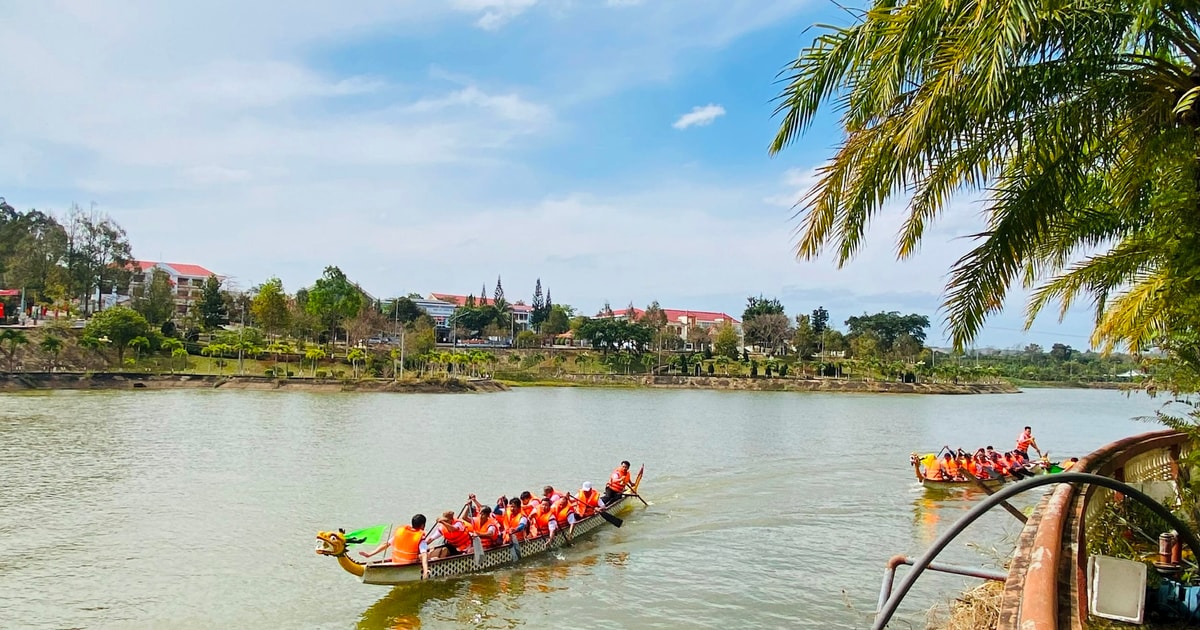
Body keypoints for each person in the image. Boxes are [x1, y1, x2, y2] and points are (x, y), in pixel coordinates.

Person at [359, 514, 431, 579]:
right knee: (428, 555)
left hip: (396, 561)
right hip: (409, 563)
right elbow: (424, 555)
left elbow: (386, 545)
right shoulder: (420, 538)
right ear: (422, 525)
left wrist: (370, 554)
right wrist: (425, 571)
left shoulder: (401, 532)